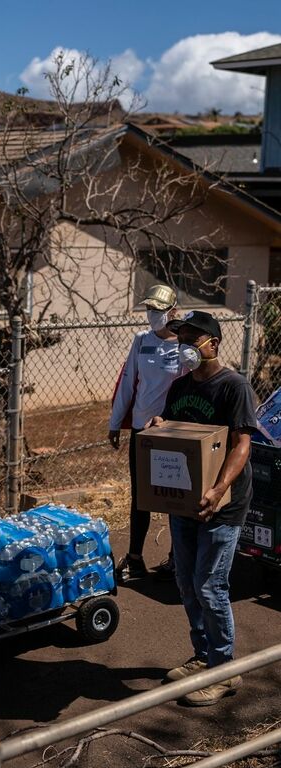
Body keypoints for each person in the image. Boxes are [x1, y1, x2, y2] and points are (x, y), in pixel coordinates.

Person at [149, 310, 257, 706]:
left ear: (213, 343)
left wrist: (218, 489)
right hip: (185, 502)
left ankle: (224, 669)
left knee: (210, 586)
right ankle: (202, 654)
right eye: (181, 338)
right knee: (186, 583)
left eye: (193, 338)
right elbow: (178, 435)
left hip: (222, 505)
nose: (185, 346)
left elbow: (242, 444)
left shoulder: (234, 387)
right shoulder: (178, 388)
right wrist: (162, 424)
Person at [109, 284, 184, 583]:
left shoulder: (185, 345)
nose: (152, 315)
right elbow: (128, 381)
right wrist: (115, 422)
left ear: (173, 312)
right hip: (142, 429)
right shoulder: (141, 341)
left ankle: (177, 557)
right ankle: (135, 558)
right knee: (141, 495)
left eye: (159, 310)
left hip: (171, 431)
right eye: (150, 309)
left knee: (175, 496)